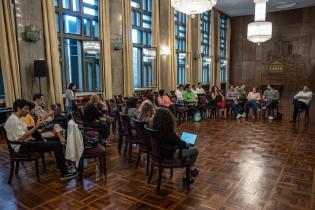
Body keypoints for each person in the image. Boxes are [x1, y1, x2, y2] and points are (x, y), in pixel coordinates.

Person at [4, 99, 77, 180]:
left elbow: (26, 129)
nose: (28, 111)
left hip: (28, 142)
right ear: (18, 108)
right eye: (26, 108)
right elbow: (22, 137)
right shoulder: (13, 120)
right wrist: (37, 126)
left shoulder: (18, 118)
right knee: (57, 145)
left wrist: (39, 127)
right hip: (23, 147)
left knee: (56, 139)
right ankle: (64, 173)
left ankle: (61, 165)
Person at [152, 108, 199, 183]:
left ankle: (191, 171)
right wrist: (188, 144)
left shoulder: (154, 128)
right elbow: (181, 144)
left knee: (187, 152)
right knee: (195, 150)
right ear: (168, 118)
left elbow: (174, 141)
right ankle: (186, 174)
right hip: (169, 154)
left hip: (158, 153)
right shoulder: (167, 131)